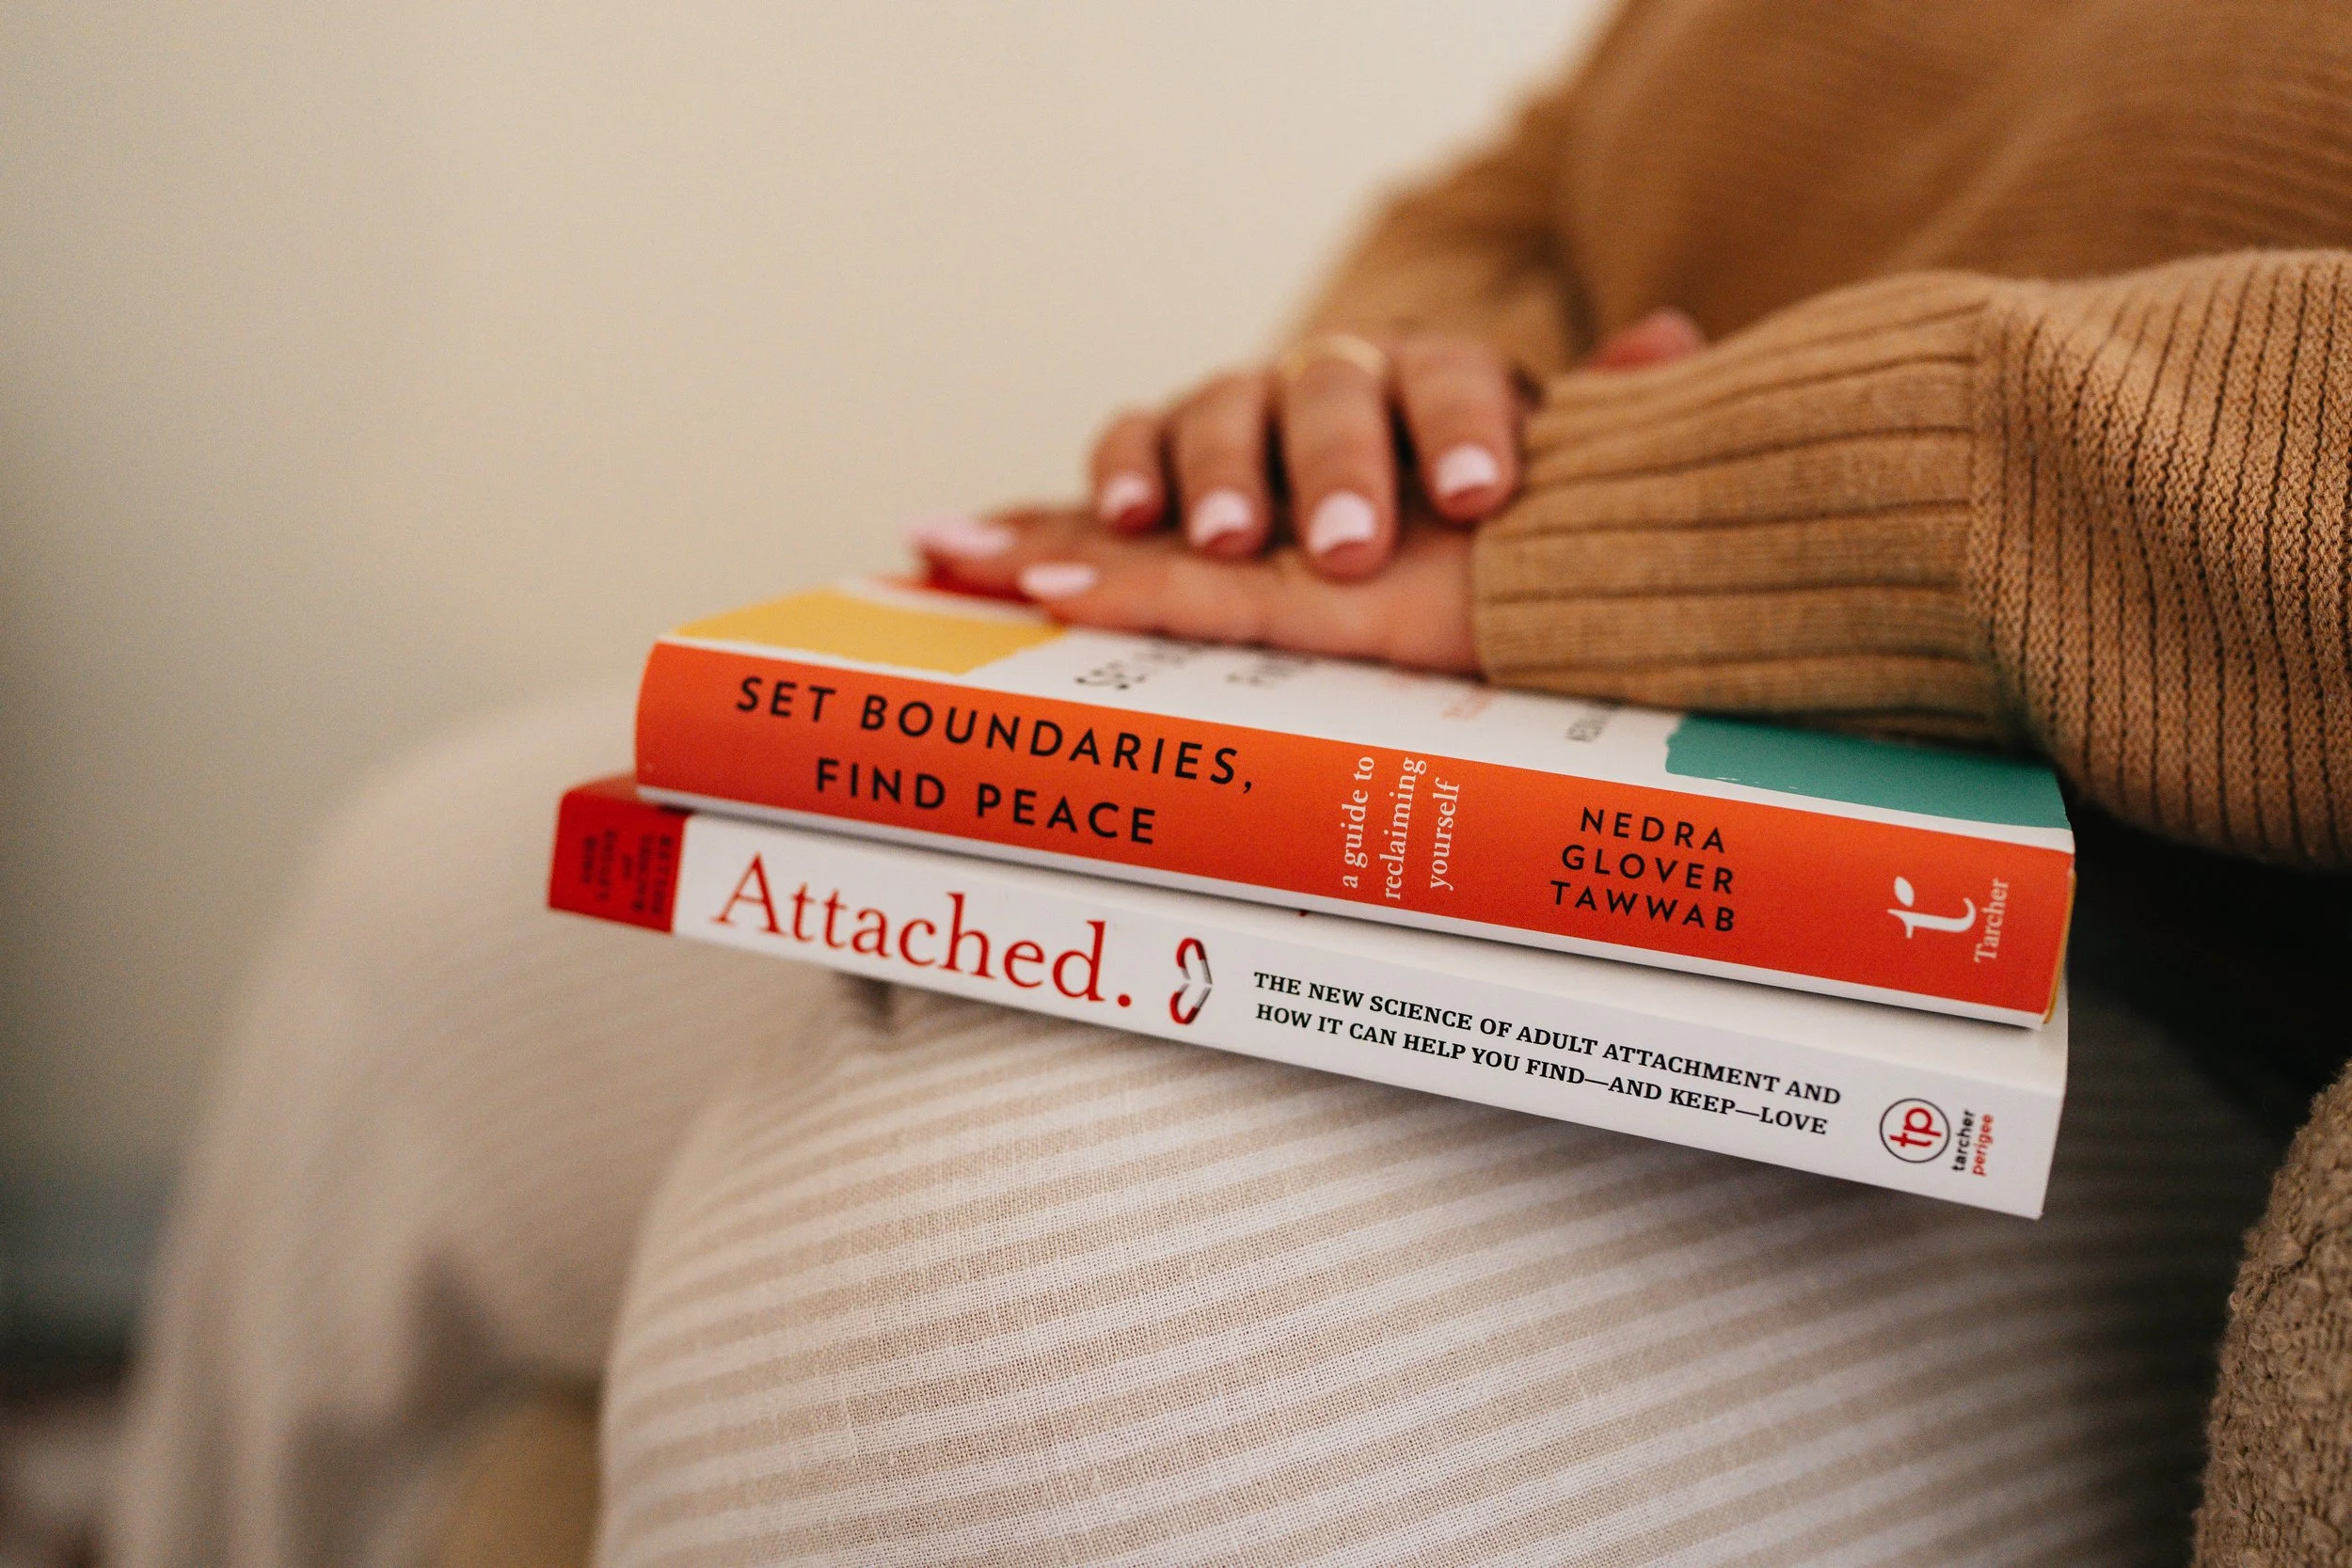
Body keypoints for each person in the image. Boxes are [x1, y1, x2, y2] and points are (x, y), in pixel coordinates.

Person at [111, 1, 2352, 1563]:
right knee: (427, 900)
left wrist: (1669, 506)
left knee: (978, 1324)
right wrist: (1377, 410)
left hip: (2157, 922)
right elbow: (1534, 177)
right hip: (1664, 708)